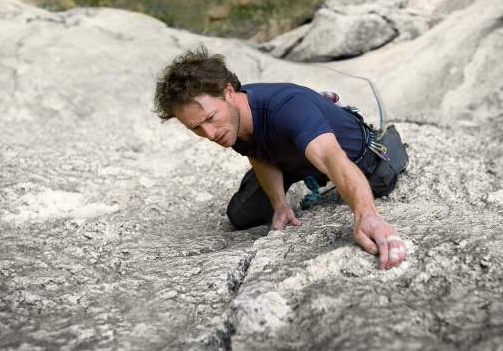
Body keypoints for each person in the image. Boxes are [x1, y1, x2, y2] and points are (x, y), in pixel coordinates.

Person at [154, 45, 409, 270]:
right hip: (289, 159)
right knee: (242, 215)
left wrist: (367, 216)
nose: (209, 134)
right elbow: (256, 151)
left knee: (382, 181)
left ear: (229, 92)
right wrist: (279, 204)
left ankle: (391, 140)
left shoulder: (287, 107)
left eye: (210, 118)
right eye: (196, 128)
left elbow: (332, 158)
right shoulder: (229, 121)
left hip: (354, 155)